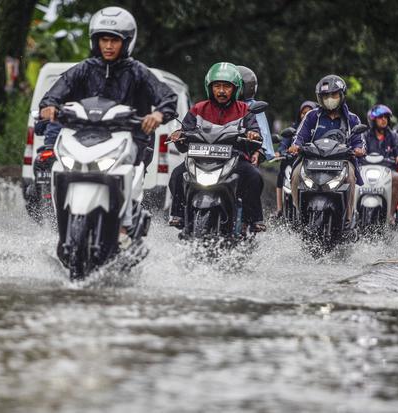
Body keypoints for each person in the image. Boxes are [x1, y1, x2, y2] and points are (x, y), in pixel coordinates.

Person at [38, 6, 178, 246]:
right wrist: (49, 105)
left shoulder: (138, 72)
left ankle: (125, 227)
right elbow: (54, 94)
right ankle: (61, 229)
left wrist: (157, 114)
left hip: (129, 139)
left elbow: (168, 99)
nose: (108, 46)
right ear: (96, 40)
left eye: (114, 40)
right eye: (104, 39)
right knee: (58, 165)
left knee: (130, 174)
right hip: (84, 137)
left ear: (126, 42)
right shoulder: (83, 69)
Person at [168, 62, 265, 232]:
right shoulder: (198, 108)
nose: (221, 91)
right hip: (199, 159)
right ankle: (178, 214)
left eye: (226, 86)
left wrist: (253, 135)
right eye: (217, 86)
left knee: (254, 176)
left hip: (233, 159)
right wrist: (178, 134)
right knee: (177, 175)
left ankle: (254, 219)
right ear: (209, 87)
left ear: (235, 89)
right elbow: (184, 131)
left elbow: (255, 132)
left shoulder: (244, 110)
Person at [288, 75, 366, 226]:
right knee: (296, 174)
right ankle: (299, 214)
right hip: (312, 161)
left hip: (342, 162)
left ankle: (348, 220)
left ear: (342, 95)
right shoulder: (312, 116)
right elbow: (300, 136)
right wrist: (295, 145)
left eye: (334, 95)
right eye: (325, 96)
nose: (330, 98)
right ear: (320, 98)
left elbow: (360, 142)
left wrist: (359, 150)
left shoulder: (352, 119)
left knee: (350, 176)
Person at [274, 100, 317, 216]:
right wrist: (281, 152)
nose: (305, 115)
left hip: (313, 165)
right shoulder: (294, 129)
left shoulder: (319, 130)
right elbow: (284, 144)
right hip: (294, 162)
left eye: (309, 112)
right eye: (303, 113)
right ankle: (279, 209)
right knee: (283, 169)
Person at [361, 104, 398, 218]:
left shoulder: (393, 136)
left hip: (387, 172)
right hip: (366, 171)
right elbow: (360, 147)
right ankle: (350, 215)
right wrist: (359, 151)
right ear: (373, 120)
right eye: (380, 117)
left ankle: (390, 214)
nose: (384, 119)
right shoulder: (365, 135)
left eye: (386, 117)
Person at [237, 65, 275, 163]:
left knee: (253, 175)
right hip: (219, 152)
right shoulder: (217, 105)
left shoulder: (252, 106)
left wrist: (258, 151)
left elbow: (261, 133)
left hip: (244, 153)